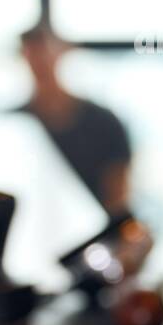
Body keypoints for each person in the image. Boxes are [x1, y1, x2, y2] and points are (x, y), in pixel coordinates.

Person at [18, 22, 132, 216]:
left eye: (44, 51)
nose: (40, 61)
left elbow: (118, 198)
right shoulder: (14, 125)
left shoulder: (104, 122)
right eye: (32, 53)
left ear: (62, 52)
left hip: (96, 234)